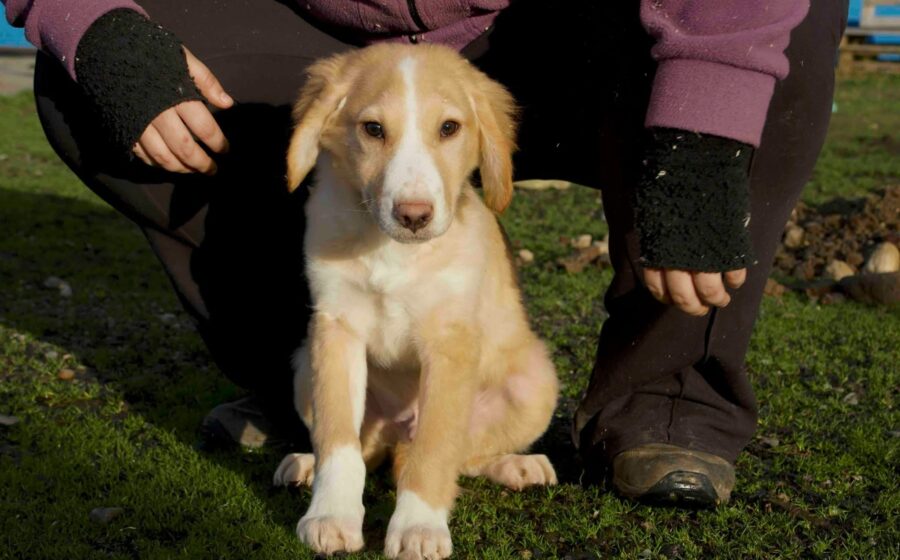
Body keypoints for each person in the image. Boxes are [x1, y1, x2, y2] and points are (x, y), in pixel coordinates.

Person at [3, 0, 848, 507]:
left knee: (772, 37)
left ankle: (665, 400)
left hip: (573, 23)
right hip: (326, 30)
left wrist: (703, 129)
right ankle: (315, 385)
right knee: (92, 73)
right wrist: (94, 22)